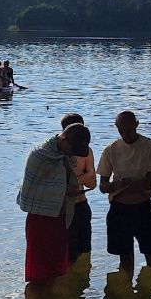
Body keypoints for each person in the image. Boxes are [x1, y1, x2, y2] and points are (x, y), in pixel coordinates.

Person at [18, 122, 91, 285]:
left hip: (60, 218)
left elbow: (60, 182)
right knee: (39, 271)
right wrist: (65, 192)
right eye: (72, 150)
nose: (73, 154)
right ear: (64, 140)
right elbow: (33, 189)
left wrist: (68, 191)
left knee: (57, 268)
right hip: (40, 218)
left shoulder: (65, 156)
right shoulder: (40, 155)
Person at [97, 111, 151, 275]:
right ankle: (125, 294)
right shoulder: (110, 150)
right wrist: (117, 185)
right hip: (119, 210)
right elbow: (103, 186)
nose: (125, 134)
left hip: (142, 209)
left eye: (128, 129)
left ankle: (150, 293)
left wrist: (127, 184)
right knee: (125, 260)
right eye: (121, 130)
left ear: (136, 124)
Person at [60, 112, 98, 265]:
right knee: (67, 253)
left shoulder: (87, 151)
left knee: (84, 252)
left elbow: (92, 183)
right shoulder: (58, 151)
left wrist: (74, 179)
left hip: (81, 205)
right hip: (62, 208)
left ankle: (81, 286)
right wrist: (82, 176)